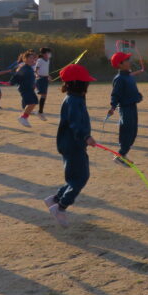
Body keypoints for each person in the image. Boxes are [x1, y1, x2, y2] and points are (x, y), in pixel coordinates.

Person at [43, 64, 96, 227]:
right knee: (80, 178)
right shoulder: (73, 100)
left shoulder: (76, 97)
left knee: (77, 176)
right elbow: (74, 123)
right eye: (85, 82)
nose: (88, 84)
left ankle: (55, 199)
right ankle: (60, 207)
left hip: (73, 144)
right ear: (78, 84)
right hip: (72, 144)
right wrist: (85, 136)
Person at [107, 51, 143, 165]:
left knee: (133, 132)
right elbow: (115, 94)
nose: (129, 61)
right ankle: (120, 155)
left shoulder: (129, 76)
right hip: (125, 108)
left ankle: (123, 154)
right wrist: (112, 107)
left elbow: (132, 90)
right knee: (126, 131)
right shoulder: (119, 78)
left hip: (133, 106)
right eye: (126, 60)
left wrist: (138, 96)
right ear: (120, 64)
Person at [9, 51, 38, 127]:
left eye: (33, 58)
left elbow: (30, 78)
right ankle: (23, 118)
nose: (32, 59)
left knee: (34, 102)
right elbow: (16, 76)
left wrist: (34, 84)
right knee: (31, 103)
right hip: (24, 88)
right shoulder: (24, 68)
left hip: (30, 88)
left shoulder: (30, 68)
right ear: (25, 59)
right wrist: (11, 82)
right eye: (30, 58)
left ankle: (24, 117)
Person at [34, 47, 52, 119]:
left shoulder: (48, 60)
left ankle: (40, 112)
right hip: (40, 79)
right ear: (43, 54)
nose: (50, 54)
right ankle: (40, 112)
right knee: (43, 94)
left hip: (45, 79)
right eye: (48, 53)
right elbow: (36, 70)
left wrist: (48, 76)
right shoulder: (40, 60)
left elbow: (45, 70)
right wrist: (37, 75)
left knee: (44, 95)